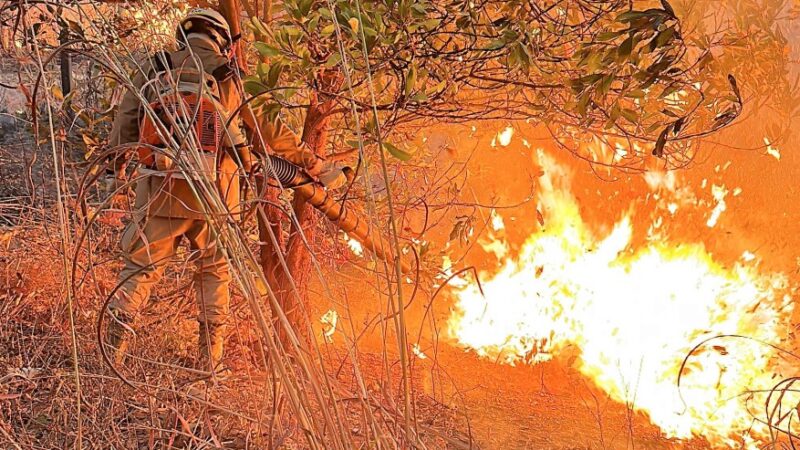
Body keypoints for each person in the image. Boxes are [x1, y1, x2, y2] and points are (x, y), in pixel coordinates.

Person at [105, 8, 344, 373]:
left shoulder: (155, 68)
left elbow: (127, 121)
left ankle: (111, 354)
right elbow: (270, 132)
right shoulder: (230, 75)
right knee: (214, 271)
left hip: (159, 191)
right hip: (217, 196)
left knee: (140, 268)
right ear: (220, 38)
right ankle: (209, 364)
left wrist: (116, 166)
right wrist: (313, 164)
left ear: (183, 36)